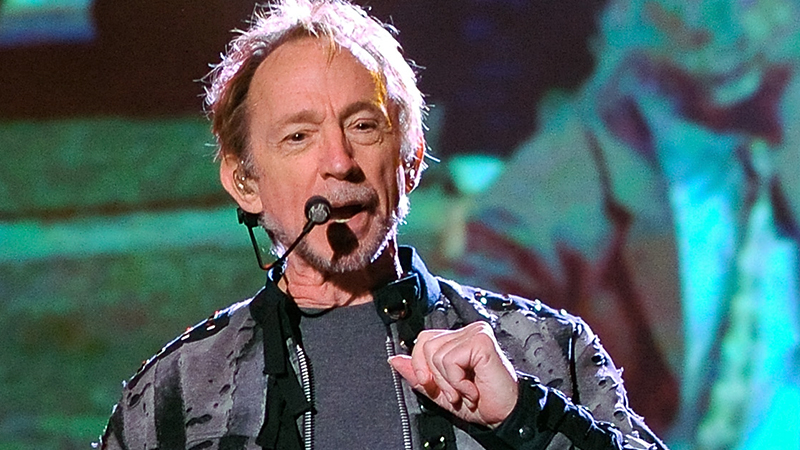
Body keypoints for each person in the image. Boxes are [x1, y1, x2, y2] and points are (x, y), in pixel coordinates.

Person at [97, 1, 669, 449]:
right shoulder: (176, 393)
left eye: (364, 126)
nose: (339, 161)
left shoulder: (543, 350)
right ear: (245, 182)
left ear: (411, 158)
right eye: (299, 136)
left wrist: (523, 417)